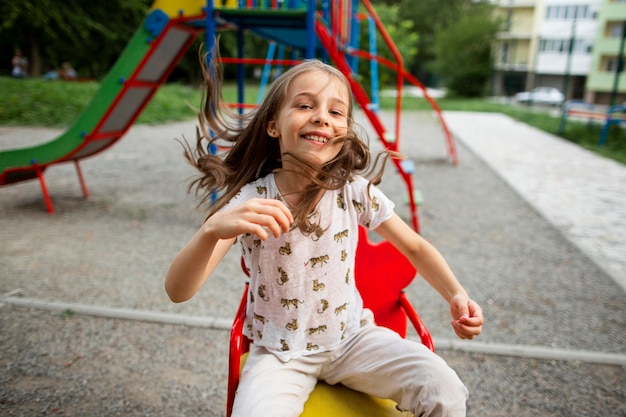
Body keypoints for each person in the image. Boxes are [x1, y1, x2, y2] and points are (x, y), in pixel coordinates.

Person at [165, 52, 484, 417]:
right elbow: (178, 292)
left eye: (336, 111)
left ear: (344, 132)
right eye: (304, 105)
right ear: (273, 125)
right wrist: (209, 231)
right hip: (281, 354)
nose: (321, 116)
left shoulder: (353, 191)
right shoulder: (251, 201)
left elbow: (413, 245)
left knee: (444, 389)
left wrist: (457, 294)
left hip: (353, 340)